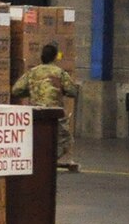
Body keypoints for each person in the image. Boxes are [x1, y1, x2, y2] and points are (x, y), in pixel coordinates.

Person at [12, 41, 82, 171]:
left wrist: (32, 89)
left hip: (35, 113)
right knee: (65, 140)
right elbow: (73, 91)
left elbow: (16, 90)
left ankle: (38, 159)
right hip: (54, 113)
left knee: (36, 138)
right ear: (55, 57)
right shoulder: (59, 73)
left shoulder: (32, 72)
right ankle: (48, 160)